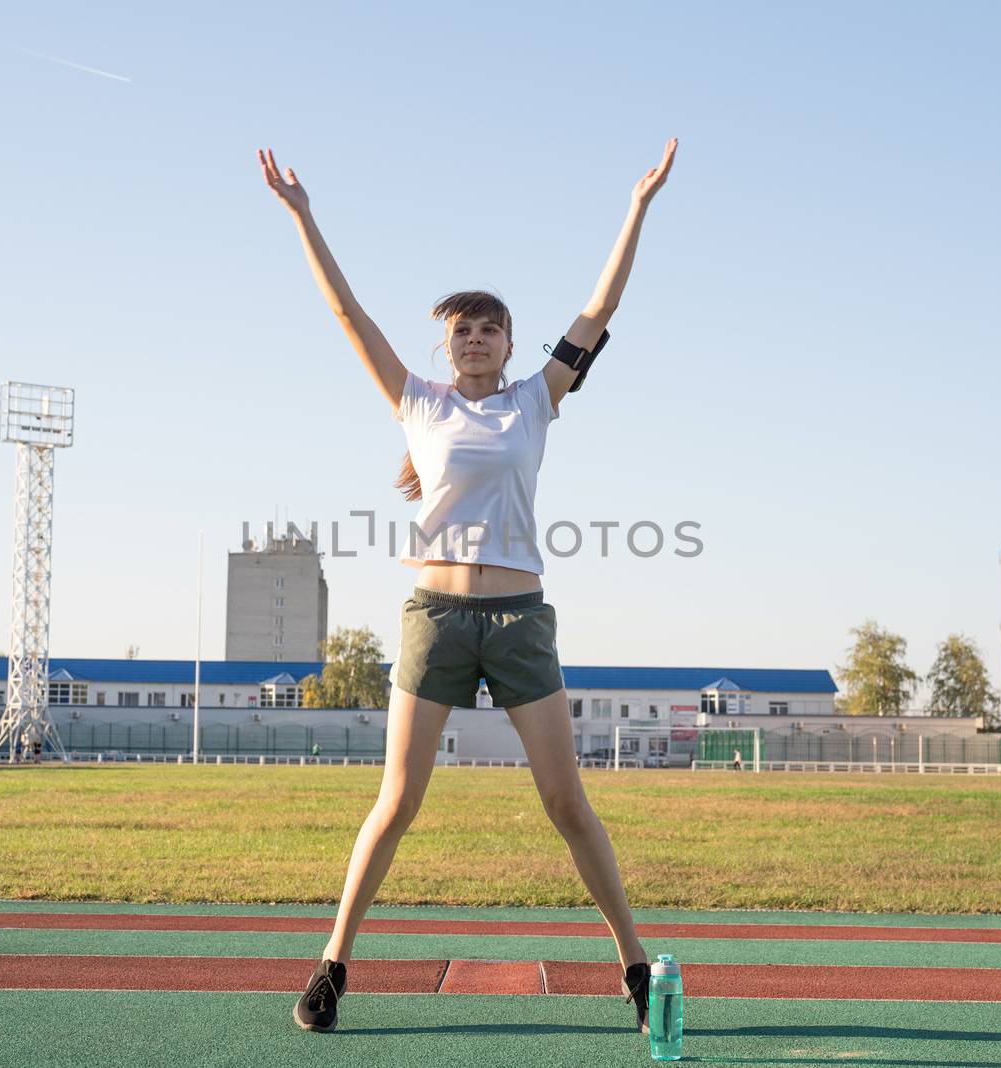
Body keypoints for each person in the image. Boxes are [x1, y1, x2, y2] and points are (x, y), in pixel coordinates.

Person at [260, 138, 678, 1036]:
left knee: (567, 803)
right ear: (447, 344)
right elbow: (345, 313)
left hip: (521, 619)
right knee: (397, 802)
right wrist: (304, 217)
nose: (477, 337)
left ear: (511, 344)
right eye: (463, 328)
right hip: (437, 619)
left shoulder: (536, 399)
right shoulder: (419, 402)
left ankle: (636, 967)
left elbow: (600, 307)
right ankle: (333, 964)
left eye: (490, 327)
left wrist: (637, 205)